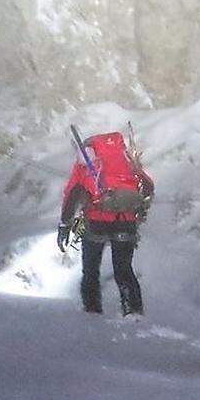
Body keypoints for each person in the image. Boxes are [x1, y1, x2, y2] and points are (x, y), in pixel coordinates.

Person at [57, 130, 154, 316]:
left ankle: (92, 311)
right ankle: (133, 311)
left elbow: (72, 194)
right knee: (124, 269)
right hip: (126, 220)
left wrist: (65, 224)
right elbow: (148, 185)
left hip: (96, 220)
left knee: (91, 269)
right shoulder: (126, 160)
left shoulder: (86, 161)